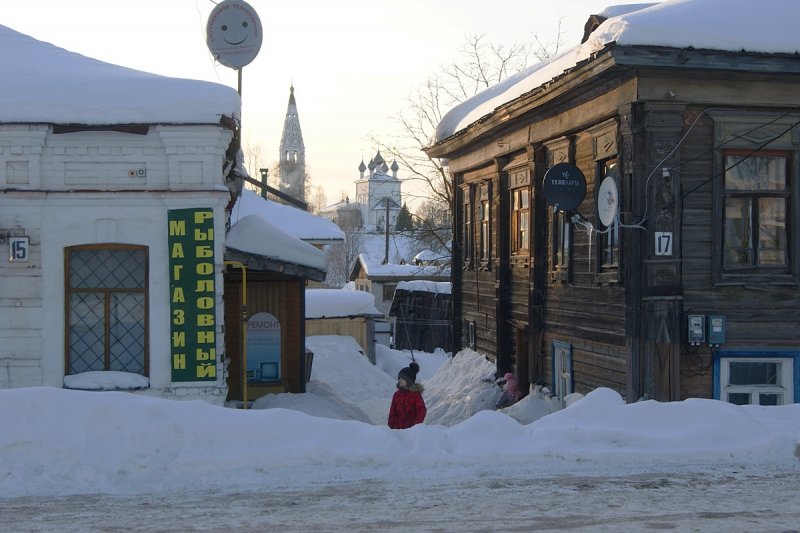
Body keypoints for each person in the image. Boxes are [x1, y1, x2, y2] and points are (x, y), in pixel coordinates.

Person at [388, 362, 427, 429]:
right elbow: (392, 412)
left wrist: (416, 427)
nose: (399, 380)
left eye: (402, 378)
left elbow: (422, 410)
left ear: (409, 381)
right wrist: (390, 427)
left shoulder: (415, 395)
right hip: (397, 429)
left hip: (410, 430)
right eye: (399, 378)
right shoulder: (397, 395)